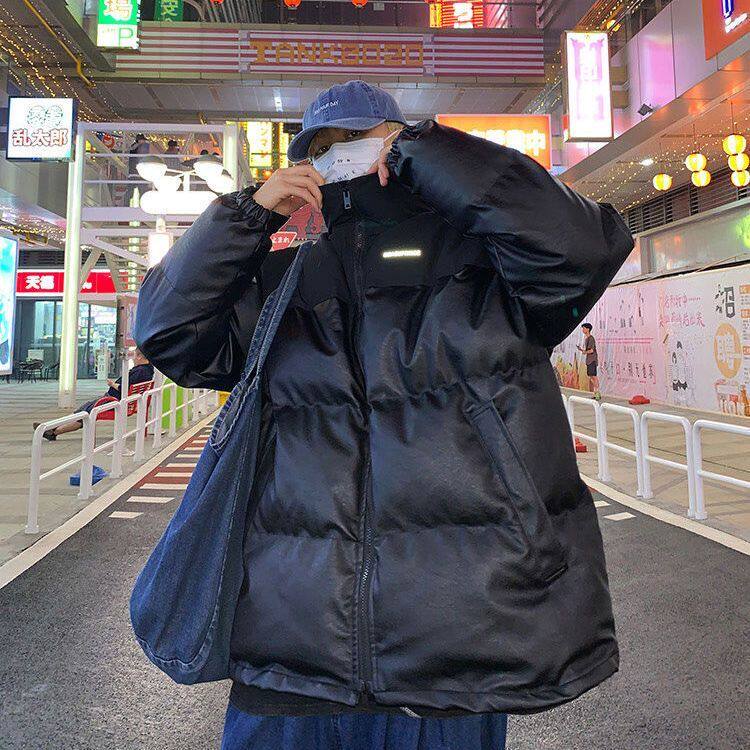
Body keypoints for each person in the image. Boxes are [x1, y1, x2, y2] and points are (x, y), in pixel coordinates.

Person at [134, 80, 634, 749]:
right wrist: (248, 215)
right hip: (292, 654)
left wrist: (428, 156)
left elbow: (584, 247)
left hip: (460, 649)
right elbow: (167, 332)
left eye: (359, 139)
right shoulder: (282, 285)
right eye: (323, 148)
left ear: (403, 146)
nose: (341, 155)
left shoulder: (489, 269)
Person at [34, 349, 153, 441]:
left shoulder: (140, 371)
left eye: (134, 356)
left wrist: (112, 384)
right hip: (117, 401)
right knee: (83, 411)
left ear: (139, 357)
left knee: (84, 413)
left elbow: (124, 388)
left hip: (114, 402)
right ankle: (51, 428)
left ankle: (52, 430)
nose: (132, 359)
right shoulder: (147, 370)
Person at [577, 322, 601, 400]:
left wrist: (585, 352)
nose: (583, 330)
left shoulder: (591, 338)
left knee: (593, 376)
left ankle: (597, 393)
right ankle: (596, 392)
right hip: (589, 360)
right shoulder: (587, 339)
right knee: (591, 376)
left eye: (584, 328)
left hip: (592, 360)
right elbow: (587, 351)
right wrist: (582, 350)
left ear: (588, 329)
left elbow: (591, 350)